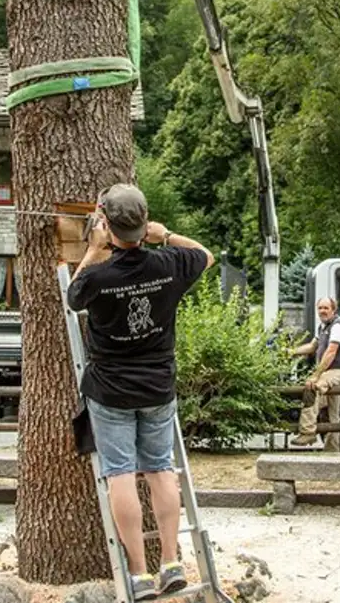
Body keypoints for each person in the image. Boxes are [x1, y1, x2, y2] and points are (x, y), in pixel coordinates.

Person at [67, 183, 214, 602]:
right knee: (160, 469)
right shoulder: (169, 263)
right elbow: (206, 254)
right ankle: (170, 560)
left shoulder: (97, 275)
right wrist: (163, 235)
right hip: (157, 386)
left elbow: (72, 295)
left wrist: (95, 249)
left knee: (120, 474)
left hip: (110, 390)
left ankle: (138, 572)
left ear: (106, 225)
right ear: (143, 222)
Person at [290, 296, 340, 451]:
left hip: (338, 371)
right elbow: (312, 347)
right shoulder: (323, 327)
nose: (322, 311)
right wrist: (291, 352)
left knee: (312, 387)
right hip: (329, 371)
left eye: (326, 308)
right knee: (333, 415)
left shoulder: (338, 326)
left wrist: (316, 375)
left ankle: (307, 432)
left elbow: (331, 352)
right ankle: (332, 451)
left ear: (333, 310)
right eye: (320, 308)